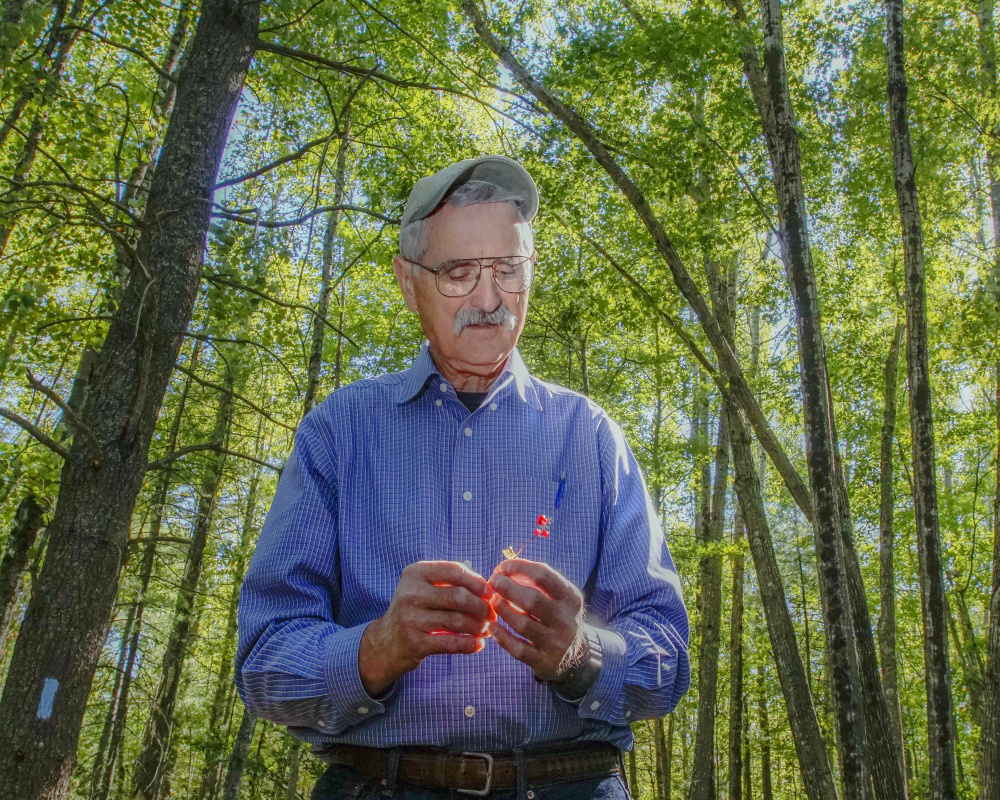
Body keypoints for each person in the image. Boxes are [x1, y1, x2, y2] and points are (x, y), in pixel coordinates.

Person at [236, 155, 690, 800]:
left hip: (569, 785)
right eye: (457, 273)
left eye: (508, 269)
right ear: (407, 281)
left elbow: (669, 657)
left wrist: (580, 654)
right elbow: (262, 667)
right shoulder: (339, 432)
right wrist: (377, 648)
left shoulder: (589, 434)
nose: (488, 298)